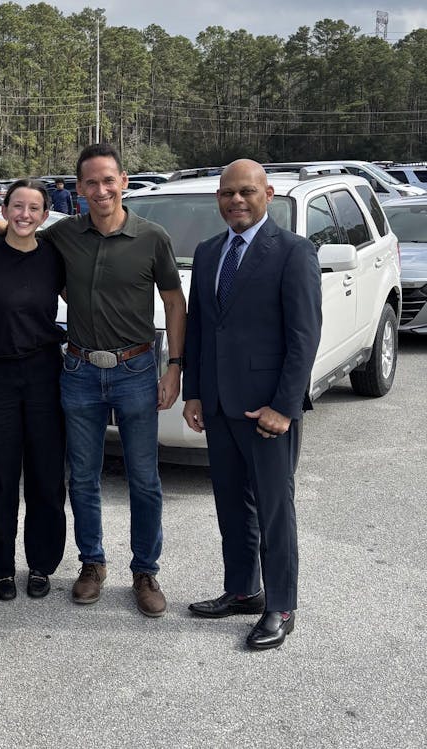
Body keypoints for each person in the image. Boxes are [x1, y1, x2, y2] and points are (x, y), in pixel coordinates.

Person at [41, 143, 186, 617]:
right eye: (90, 183)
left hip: (136, 371)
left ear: (124, 181)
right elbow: (20, 235)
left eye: (108, 180)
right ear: (78, 189)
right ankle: (92, 564)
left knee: (144, 479)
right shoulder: (63, 234)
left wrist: (174, 366)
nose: (100, 190)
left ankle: (145, 571)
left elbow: (173, 302)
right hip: (80, 371)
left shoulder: (152, 237)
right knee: (82, 478)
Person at [182, 159, 321, 650]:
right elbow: (200, 328)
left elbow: (304, 339)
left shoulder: (293, 253)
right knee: (231, 506)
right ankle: (243, 588)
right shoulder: (207, 252)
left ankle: (280, 604)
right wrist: (194, 392)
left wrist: (284, 407)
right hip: (219, 406)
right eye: (227, 194)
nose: (235, 201)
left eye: (246, 192)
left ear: (269, 193)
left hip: (268, 412)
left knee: (274, 508)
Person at [0, 179, 67, 601]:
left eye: (34, 208)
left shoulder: (55, 257)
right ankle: (1, 567)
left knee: (46, 473)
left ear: (45, 215)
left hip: (46, 370)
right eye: (17, 206)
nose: (25, 215)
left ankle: (42, 564)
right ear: (5, 208)